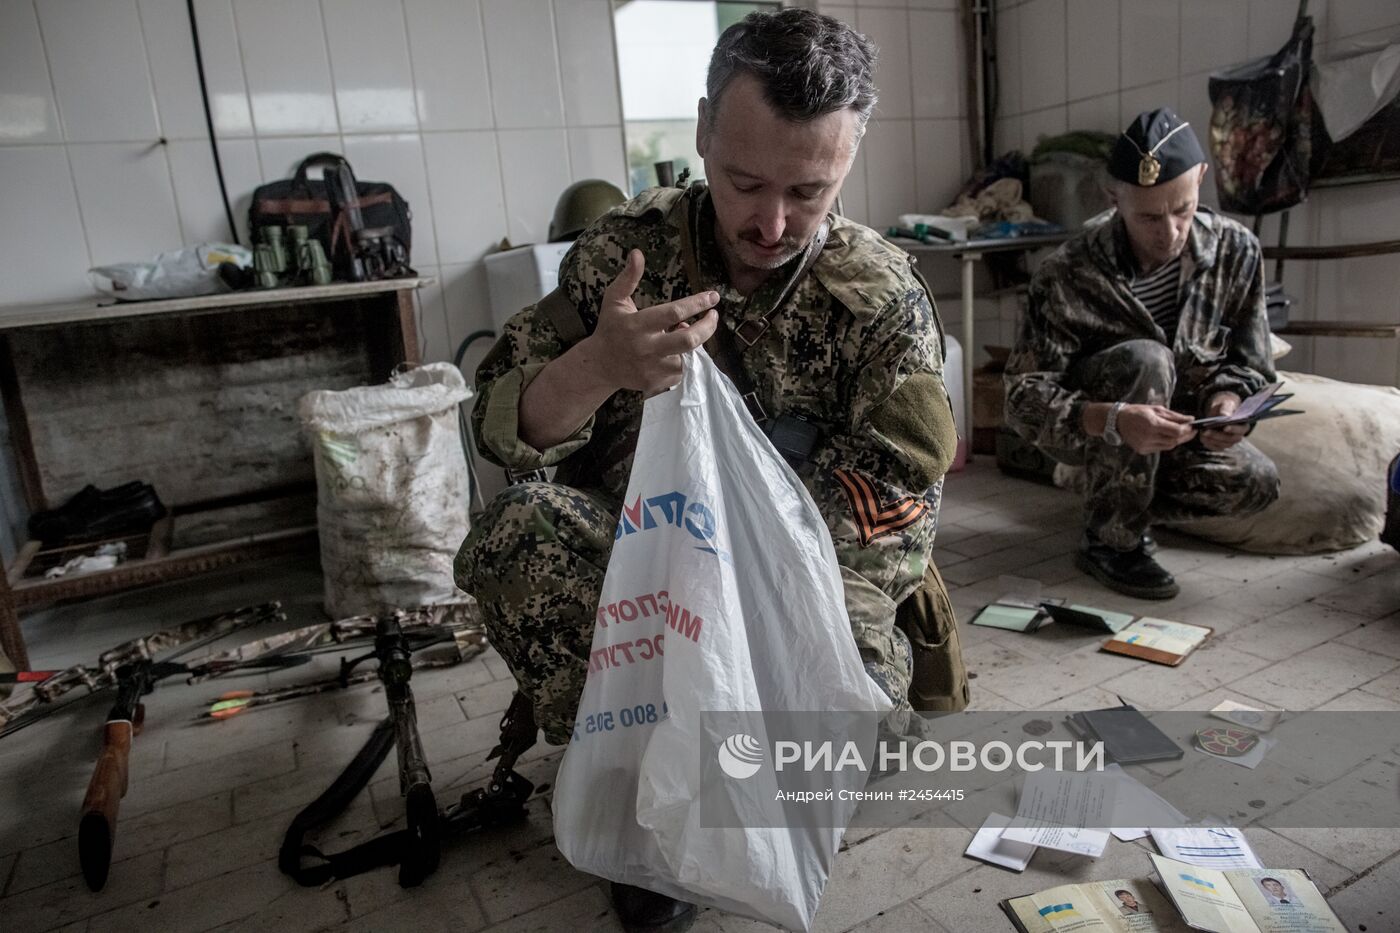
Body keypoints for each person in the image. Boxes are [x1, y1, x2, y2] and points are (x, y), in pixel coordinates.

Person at [457, 9, 964, 931]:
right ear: (700, 131)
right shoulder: (623, 256)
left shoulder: (881, 302)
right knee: (514, 537)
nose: (772, 223)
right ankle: (640, 808)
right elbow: (501, 428)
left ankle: (726, 794)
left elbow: (892, 520)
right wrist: (595, 367)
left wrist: (749, 632)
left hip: (803, 591)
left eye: (809, 192)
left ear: (851, 158)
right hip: (639, 579)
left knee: (855, 714)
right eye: (744, 182)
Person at [1005, 107, 1281, 600]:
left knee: (1255, 482)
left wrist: (1228, 402)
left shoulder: (1237, 252)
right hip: (1090, 436)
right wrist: (1111, 420)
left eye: (1183, 209)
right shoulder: (1068, 271)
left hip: (1180, 435)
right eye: (1149, 217)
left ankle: (1119, 497)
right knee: (1146, 358)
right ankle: (1111, 541)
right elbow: (1023, 399)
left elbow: (1251, 363)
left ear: (1201, 180)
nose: (1170, 231)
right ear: (1115, 199)